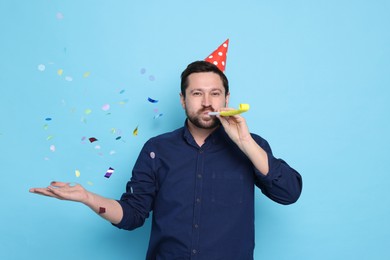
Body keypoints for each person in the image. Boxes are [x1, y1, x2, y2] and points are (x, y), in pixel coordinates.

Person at [30, 60, 302, 260]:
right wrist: (88, 198)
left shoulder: (252, 146)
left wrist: (244, 142)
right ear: (183, 100)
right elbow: (132, 215)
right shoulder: (156, 149)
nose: (207, 102)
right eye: (197, 93)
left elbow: (289, 192)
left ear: (227, 98)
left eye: (215, 93)